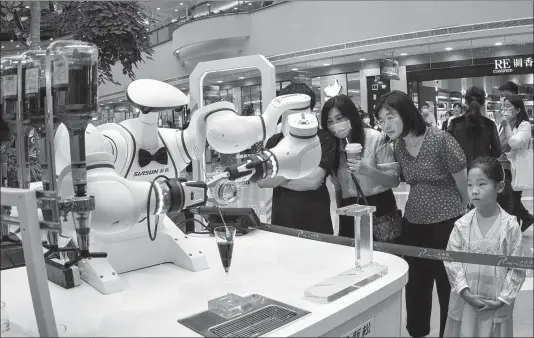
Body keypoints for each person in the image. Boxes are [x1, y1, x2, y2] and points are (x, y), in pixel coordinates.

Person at [376, 91, 468, 338]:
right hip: (413, 223)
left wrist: (465, 210)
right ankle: (417, 331)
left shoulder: (439, 139)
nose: (386, 125)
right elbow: (399, 179)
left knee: (448, 284)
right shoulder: (398, 146)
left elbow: (462, 178)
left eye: (390, 117)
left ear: (406, 113)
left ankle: (450, 332)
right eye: (381, 120)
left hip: (446, 222)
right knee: (416, 284)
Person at [444, 157, 526, 337]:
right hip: (465, 301)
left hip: (496, 303)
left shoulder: (510, 226)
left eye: (482, 184)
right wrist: (464, 292)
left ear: (499, 187)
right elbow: (451, 261)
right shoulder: (462, 225)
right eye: (470, 185)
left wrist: (502, 300)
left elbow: (517, 268)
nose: (474, 191)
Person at [257, 83, 336, 235]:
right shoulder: (275, 141)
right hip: (282, 223)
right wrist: (300, 173)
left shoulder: (324, 139)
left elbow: (313, 181)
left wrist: (280, 175)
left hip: (316, 222)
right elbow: (263, 181)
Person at [321, 94, 400, 239]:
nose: (335, 125)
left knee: (383, 255)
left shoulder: (374, 138)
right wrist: (341, 218)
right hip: (348, 208)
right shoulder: (332, 146)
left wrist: (367, 170)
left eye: (339, 118)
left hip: (379, 205)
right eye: (330, 121)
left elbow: (394, 181)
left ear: (350, 116)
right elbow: (338, 188)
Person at [494, 94, 534, 232]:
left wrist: (506, 126)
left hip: (513, 169)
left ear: (517, 110)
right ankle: (525, 219)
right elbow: (498, 146)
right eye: (503, 106)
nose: (504, 109)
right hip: (500, 168)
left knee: (510, 203)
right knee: (510, 202)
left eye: (508, 106)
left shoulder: (524, 125)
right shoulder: (501, 125)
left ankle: (512, 232)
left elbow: (514, 143)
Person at [448, 86, 501, 167]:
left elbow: (446, 149)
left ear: (465, 101)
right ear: (483, 103)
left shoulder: (455, 123)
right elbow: (497, 151)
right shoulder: (489, 124)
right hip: (483, 171)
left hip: (459, 171)